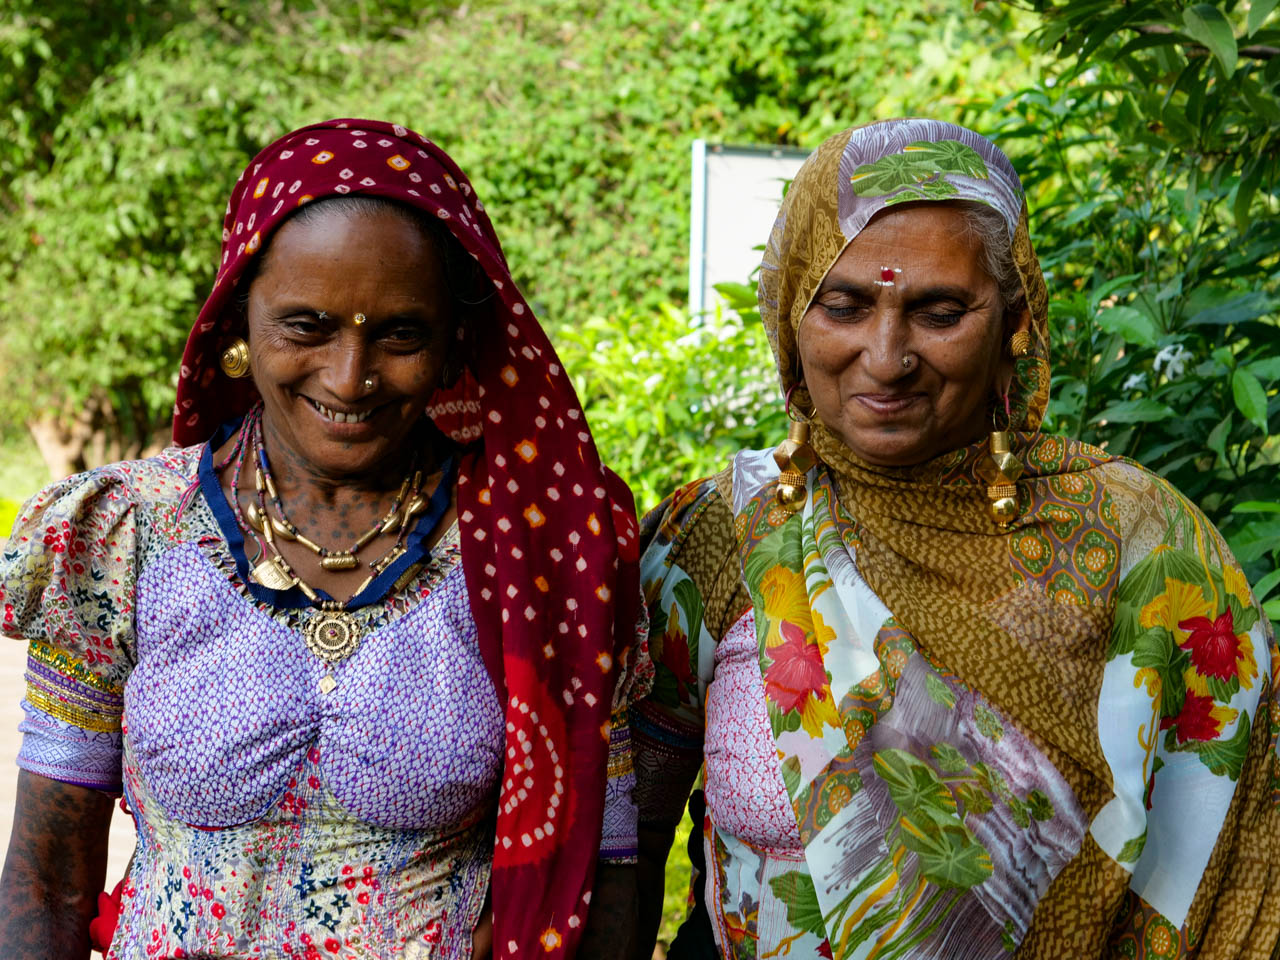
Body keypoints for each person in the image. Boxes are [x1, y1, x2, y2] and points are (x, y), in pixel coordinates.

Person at [0, 118, 648, 959]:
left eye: (400, 333)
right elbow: (47, 880)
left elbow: (605, 878)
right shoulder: (126, 533)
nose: (350, 377)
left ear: (456, 339)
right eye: (305, 326)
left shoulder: (538, 550)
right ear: (238, 317)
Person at [632, 118, 1279, 959]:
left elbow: (1228, 858)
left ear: (1015, 326)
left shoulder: (1143, 546)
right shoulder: (723, 533)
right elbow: (623, 843)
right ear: (792, 314)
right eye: (844, 305)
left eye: (939, 312)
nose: (886, 357)